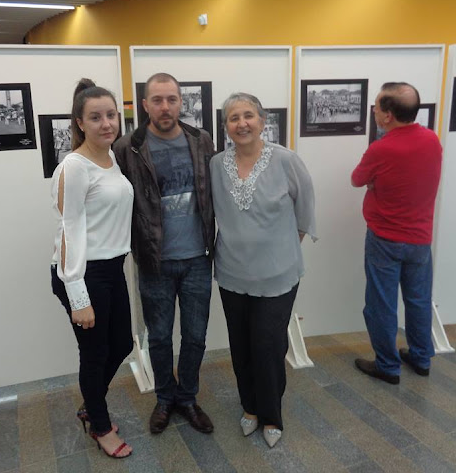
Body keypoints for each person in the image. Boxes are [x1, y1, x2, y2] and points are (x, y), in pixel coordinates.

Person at [210, 93, 316, 448]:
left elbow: (305, 210)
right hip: (231, 273)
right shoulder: (216, 165)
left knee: (268, 345)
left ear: (262, 120)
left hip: (277, 275)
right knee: (240, 344)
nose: (242, 123)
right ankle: (250, 407)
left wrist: (282, 249)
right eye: (233, 118)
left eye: (248, 116)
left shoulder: (286, 160)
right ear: (226, 126)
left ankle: (271, 414)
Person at [113, 73, 216, 435]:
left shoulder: (201, 140)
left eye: (172, 99)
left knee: (195, 336)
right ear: (145, 105)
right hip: (153, 260)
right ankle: (164, 398)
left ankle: (187, 398)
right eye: (157, 100)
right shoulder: (127, 147)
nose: (165, 107)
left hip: (198, 258)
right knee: (158, 337)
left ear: (181, 101)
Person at [50, 78, 134, 458]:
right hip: (83, 272)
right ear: (80, 122)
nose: (106, 123)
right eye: (96, 117)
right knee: (96, 353)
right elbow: (68, 230)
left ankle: (92, 403)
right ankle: (99, 424)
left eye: (111, 115)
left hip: (112, 268)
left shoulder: (111, 158)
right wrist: (78, 295)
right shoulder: (74, 165)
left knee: (123, 343)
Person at [351, 82, 442, 385]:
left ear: (388, 115)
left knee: (381, 305)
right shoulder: (431, 140)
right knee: (418, 300)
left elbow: (357, 179)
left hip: (385, 239)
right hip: (420, 239)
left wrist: (375, 183)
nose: (374, 111)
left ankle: (388, 366)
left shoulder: (381, 148)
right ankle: (421, 357)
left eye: (376, 107)